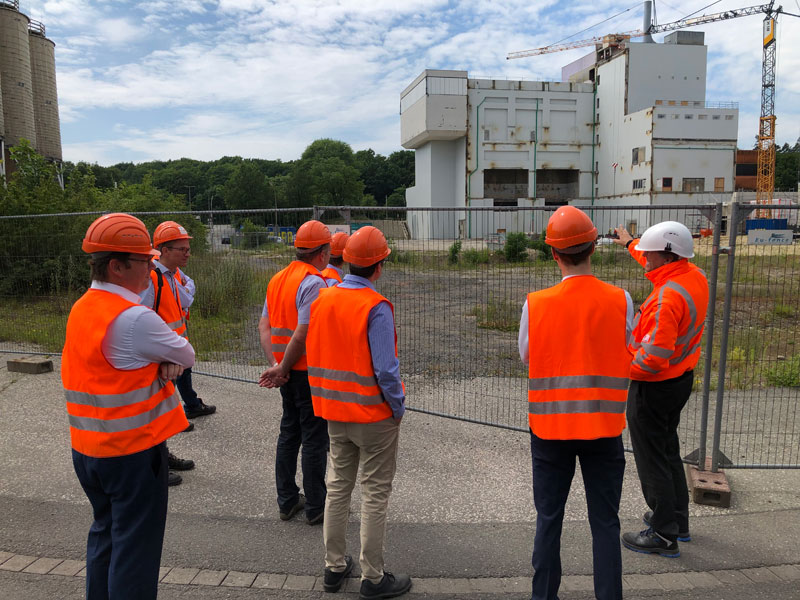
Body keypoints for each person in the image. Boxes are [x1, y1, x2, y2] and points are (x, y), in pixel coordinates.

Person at [62, 213, 195, 600]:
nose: (151, 268)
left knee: (105, 537)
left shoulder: (83, 307)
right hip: (132, 453)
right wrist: (165, 360)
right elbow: (185, 352)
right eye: (145, 262)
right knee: (135, 553)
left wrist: (161, 359)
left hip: (89, 450)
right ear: (118, 266)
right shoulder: (135, 317)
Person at [519, 206, 633, 600]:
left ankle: (543, 596)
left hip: (550, 430)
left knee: (549, 518)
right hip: (603, 429)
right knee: (605, 522)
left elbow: (526, 356)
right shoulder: (621, 300)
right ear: (593, 249)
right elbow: (629, 349)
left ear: (553, 254)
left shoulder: (536, 303)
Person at [307, 226, 412, 599]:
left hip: (335, 411)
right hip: (374, 415)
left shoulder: (324, 299)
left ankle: (334, 567)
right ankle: (373, 576)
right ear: (379, 266)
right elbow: (386, 369)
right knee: (374, 492)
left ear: (347, 259)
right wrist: (397, 406)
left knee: (337, 488)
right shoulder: (375, 307)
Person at [614, 221, 708, 557]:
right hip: (679, 380)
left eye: (647, 252)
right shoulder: (692, 276)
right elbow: (652, 263)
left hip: (653, 386)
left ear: (666, 256)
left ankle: (663, 535)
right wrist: (629, 242)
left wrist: (619, 371)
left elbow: (652, 358)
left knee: (651, 459)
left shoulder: (666, 299)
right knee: (667, 451)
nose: (644, 257)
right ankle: (677, 522)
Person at [258, 219, 331, 525]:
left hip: (287, 372)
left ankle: (287, 500)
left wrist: (277, 365)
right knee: (314, 438)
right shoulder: (314, 282)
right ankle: (316, 506)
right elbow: (302, 334)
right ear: (323, 252)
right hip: (306, 371)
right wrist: (283, 367)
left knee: (289, 433)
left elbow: (265, 326)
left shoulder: (278, 279)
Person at [140, 220, 213, 486]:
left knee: (162, 412)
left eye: (187, 248)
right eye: (181, 249)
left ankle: (162, 456)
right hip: (157, 361)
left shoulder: (171, 276)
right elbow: (142, 321)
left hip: (169, 358)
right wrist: (161, 357)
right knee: (152, 413)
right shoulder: (152, 279)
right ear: (163, 250)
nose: (187, 253)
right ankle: (154, 466)